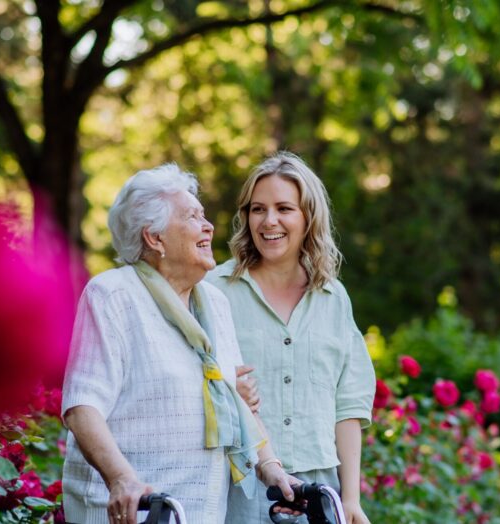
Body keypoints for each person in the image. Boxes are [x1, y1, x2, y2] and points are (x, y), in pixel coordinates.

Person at [61, 164, 298, 524]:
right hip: (135, 512)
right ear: (155, 238)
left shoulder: (214, 303)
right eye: (192, 217)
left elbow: (236, 401)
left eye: (204, 216)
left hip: (200, 510)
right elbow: (82, 406)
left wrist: (271, 467)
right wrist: (121, 478)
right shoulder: (113, 295)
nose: (209, 226)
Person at [208, 152, 376, 524]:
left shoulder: (333, 298)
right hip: (242, 487)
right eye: (257, 209)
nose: (269, 221)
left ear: (308, 218)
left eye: (284, 208)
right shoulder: (213, 291)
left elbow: (347, 406)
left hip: (320, 492)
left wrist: (350, 499)